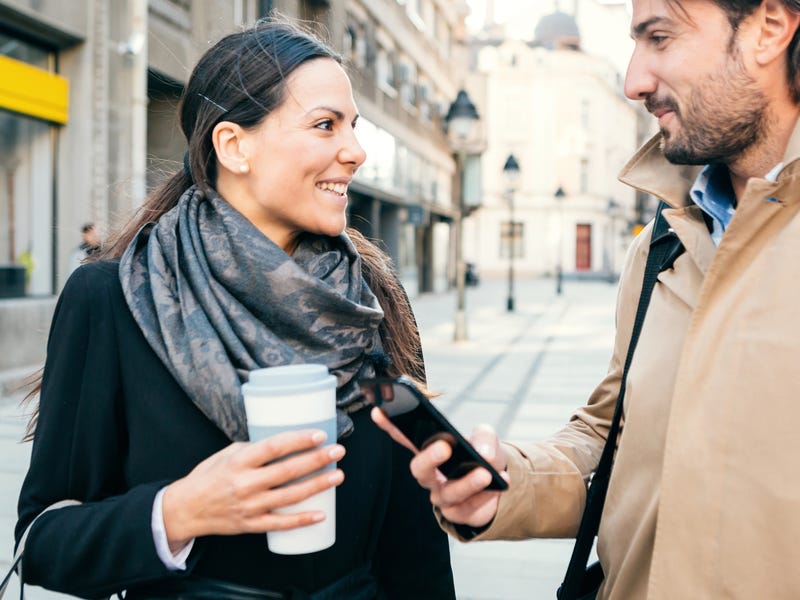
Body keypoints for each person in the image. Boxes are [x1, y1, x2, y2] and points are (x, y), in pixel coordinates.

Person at [373, 0, 800, 598]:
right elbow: (610, 441)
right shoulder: (663, 244)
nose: (634, 82)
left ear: (769, 29)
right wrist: (504, 484)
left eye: (660, 37)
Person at [15, 19, 455, 599]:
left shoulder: (368, 297)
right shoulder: (114, 297)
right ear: (233, 146)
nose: (355, 151)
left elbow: (414, 545)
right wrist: (176, 512)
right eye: (325, 125)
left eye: (353, 127)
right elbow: (41, 543)